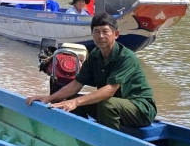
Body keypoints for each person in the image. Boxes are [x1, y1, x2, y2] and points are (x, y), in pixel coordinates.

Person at [24, 13, 156, 130]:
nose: (101, 36)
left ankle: (108, 144)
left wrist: (76, 102)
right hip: (115, 104)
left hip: (140, 109)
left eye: (105, 31)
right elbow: (76, 84)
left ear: (116, 34)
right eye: (96, 32)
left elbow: (110, 90)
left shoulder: (126, 57)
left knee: (106, 104)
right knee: (71, 99)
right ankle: (81, 136)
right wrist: (49, 98)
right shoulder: (95, 55)